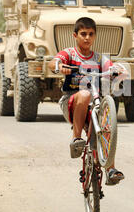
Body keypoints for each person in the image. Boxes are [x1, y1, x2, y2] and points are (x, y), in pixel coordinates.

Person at [48, 17, 125, 186]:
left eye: (91, 34)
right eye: (83, 34)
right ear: (75, 35)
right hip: (72, 101)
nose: (87, 38)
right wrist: (59, 66)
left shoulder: (99, 58)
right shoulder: (69, 53)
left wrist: (117, 70)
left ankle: (110, 169)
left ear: (95, 36)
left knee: (104, 129)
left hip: (92, 104)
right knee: (84, 94)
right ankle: (76, 140)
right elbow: (54, 62)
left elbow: (111, 67)